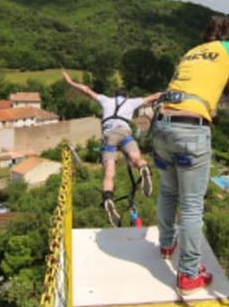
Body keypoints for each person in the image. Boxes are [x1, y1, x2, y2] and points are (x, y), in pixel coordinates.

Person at [152, 15, 229, 295]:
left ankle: (166, 244)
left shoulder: (191, 53)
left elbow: (222, 79)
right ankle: (188, 275)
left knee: (167, 189)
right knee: (191, 205)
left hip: (161, 124)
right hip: (190, 130)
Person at [61, 71, 162, 217]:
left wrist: (70, 82)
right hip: (124, 133)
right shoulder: (131, 102)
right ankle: (143, 167)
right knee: (135, 157)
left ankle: (108, 197)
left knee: (109, 173)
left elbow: (87, 91)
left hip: (108, 136)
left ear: (115, 95)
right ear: (126, 96)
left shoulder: (105, 100)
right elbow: (154, 97)